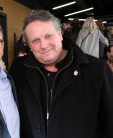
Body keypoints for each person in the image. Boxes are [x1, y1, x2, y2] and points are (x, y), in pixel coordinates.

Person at [9, 10, 113, 138]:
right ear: (29, 45)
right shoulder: (19, 68)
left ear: (60, 34)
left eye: (48, 36)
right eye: (35, 40)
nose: (43, 45)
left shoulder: (97, 70)